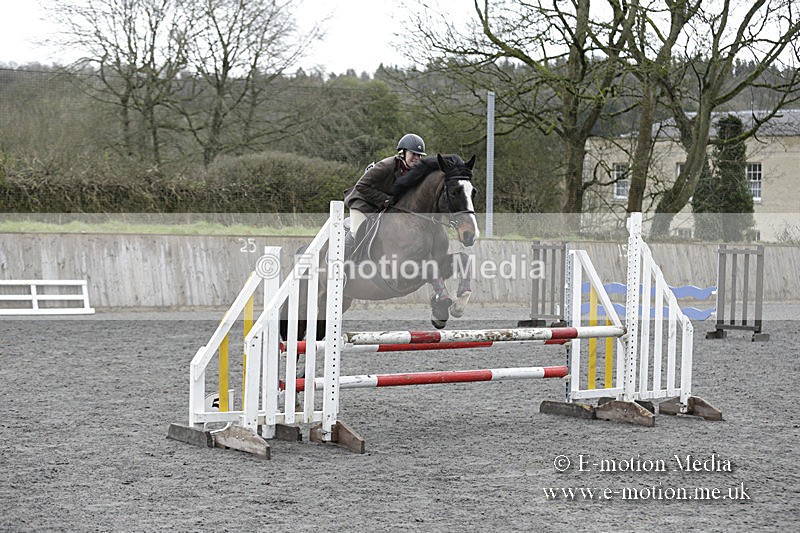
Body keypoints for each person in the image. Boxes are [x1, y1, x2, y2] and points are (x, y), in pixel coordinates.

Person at [343, 133, 426, 241]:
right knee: (358, 233)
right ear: (403, 152)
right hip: (363, 204)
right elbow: (361, 186)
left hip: (384, 209)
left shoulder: (415, 172)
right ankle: (340, 256)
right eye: (413, 154)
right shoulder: (386, 165)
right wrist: (385, 199)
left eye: (419, 155)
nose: (417, 158)